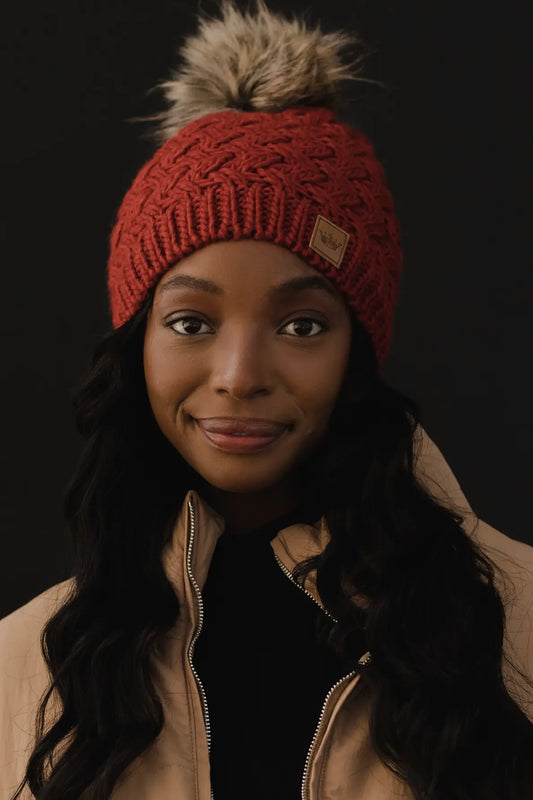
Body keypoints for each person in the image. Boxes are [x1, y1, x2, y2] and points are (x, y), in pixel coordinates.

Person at [1, 1, 532, 798]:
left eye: (302, 323)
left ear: (357, 347)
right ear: (135, 344)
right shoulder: (23, 661)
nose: (240, 372)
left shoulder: (516, 625)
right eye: (189, 321)